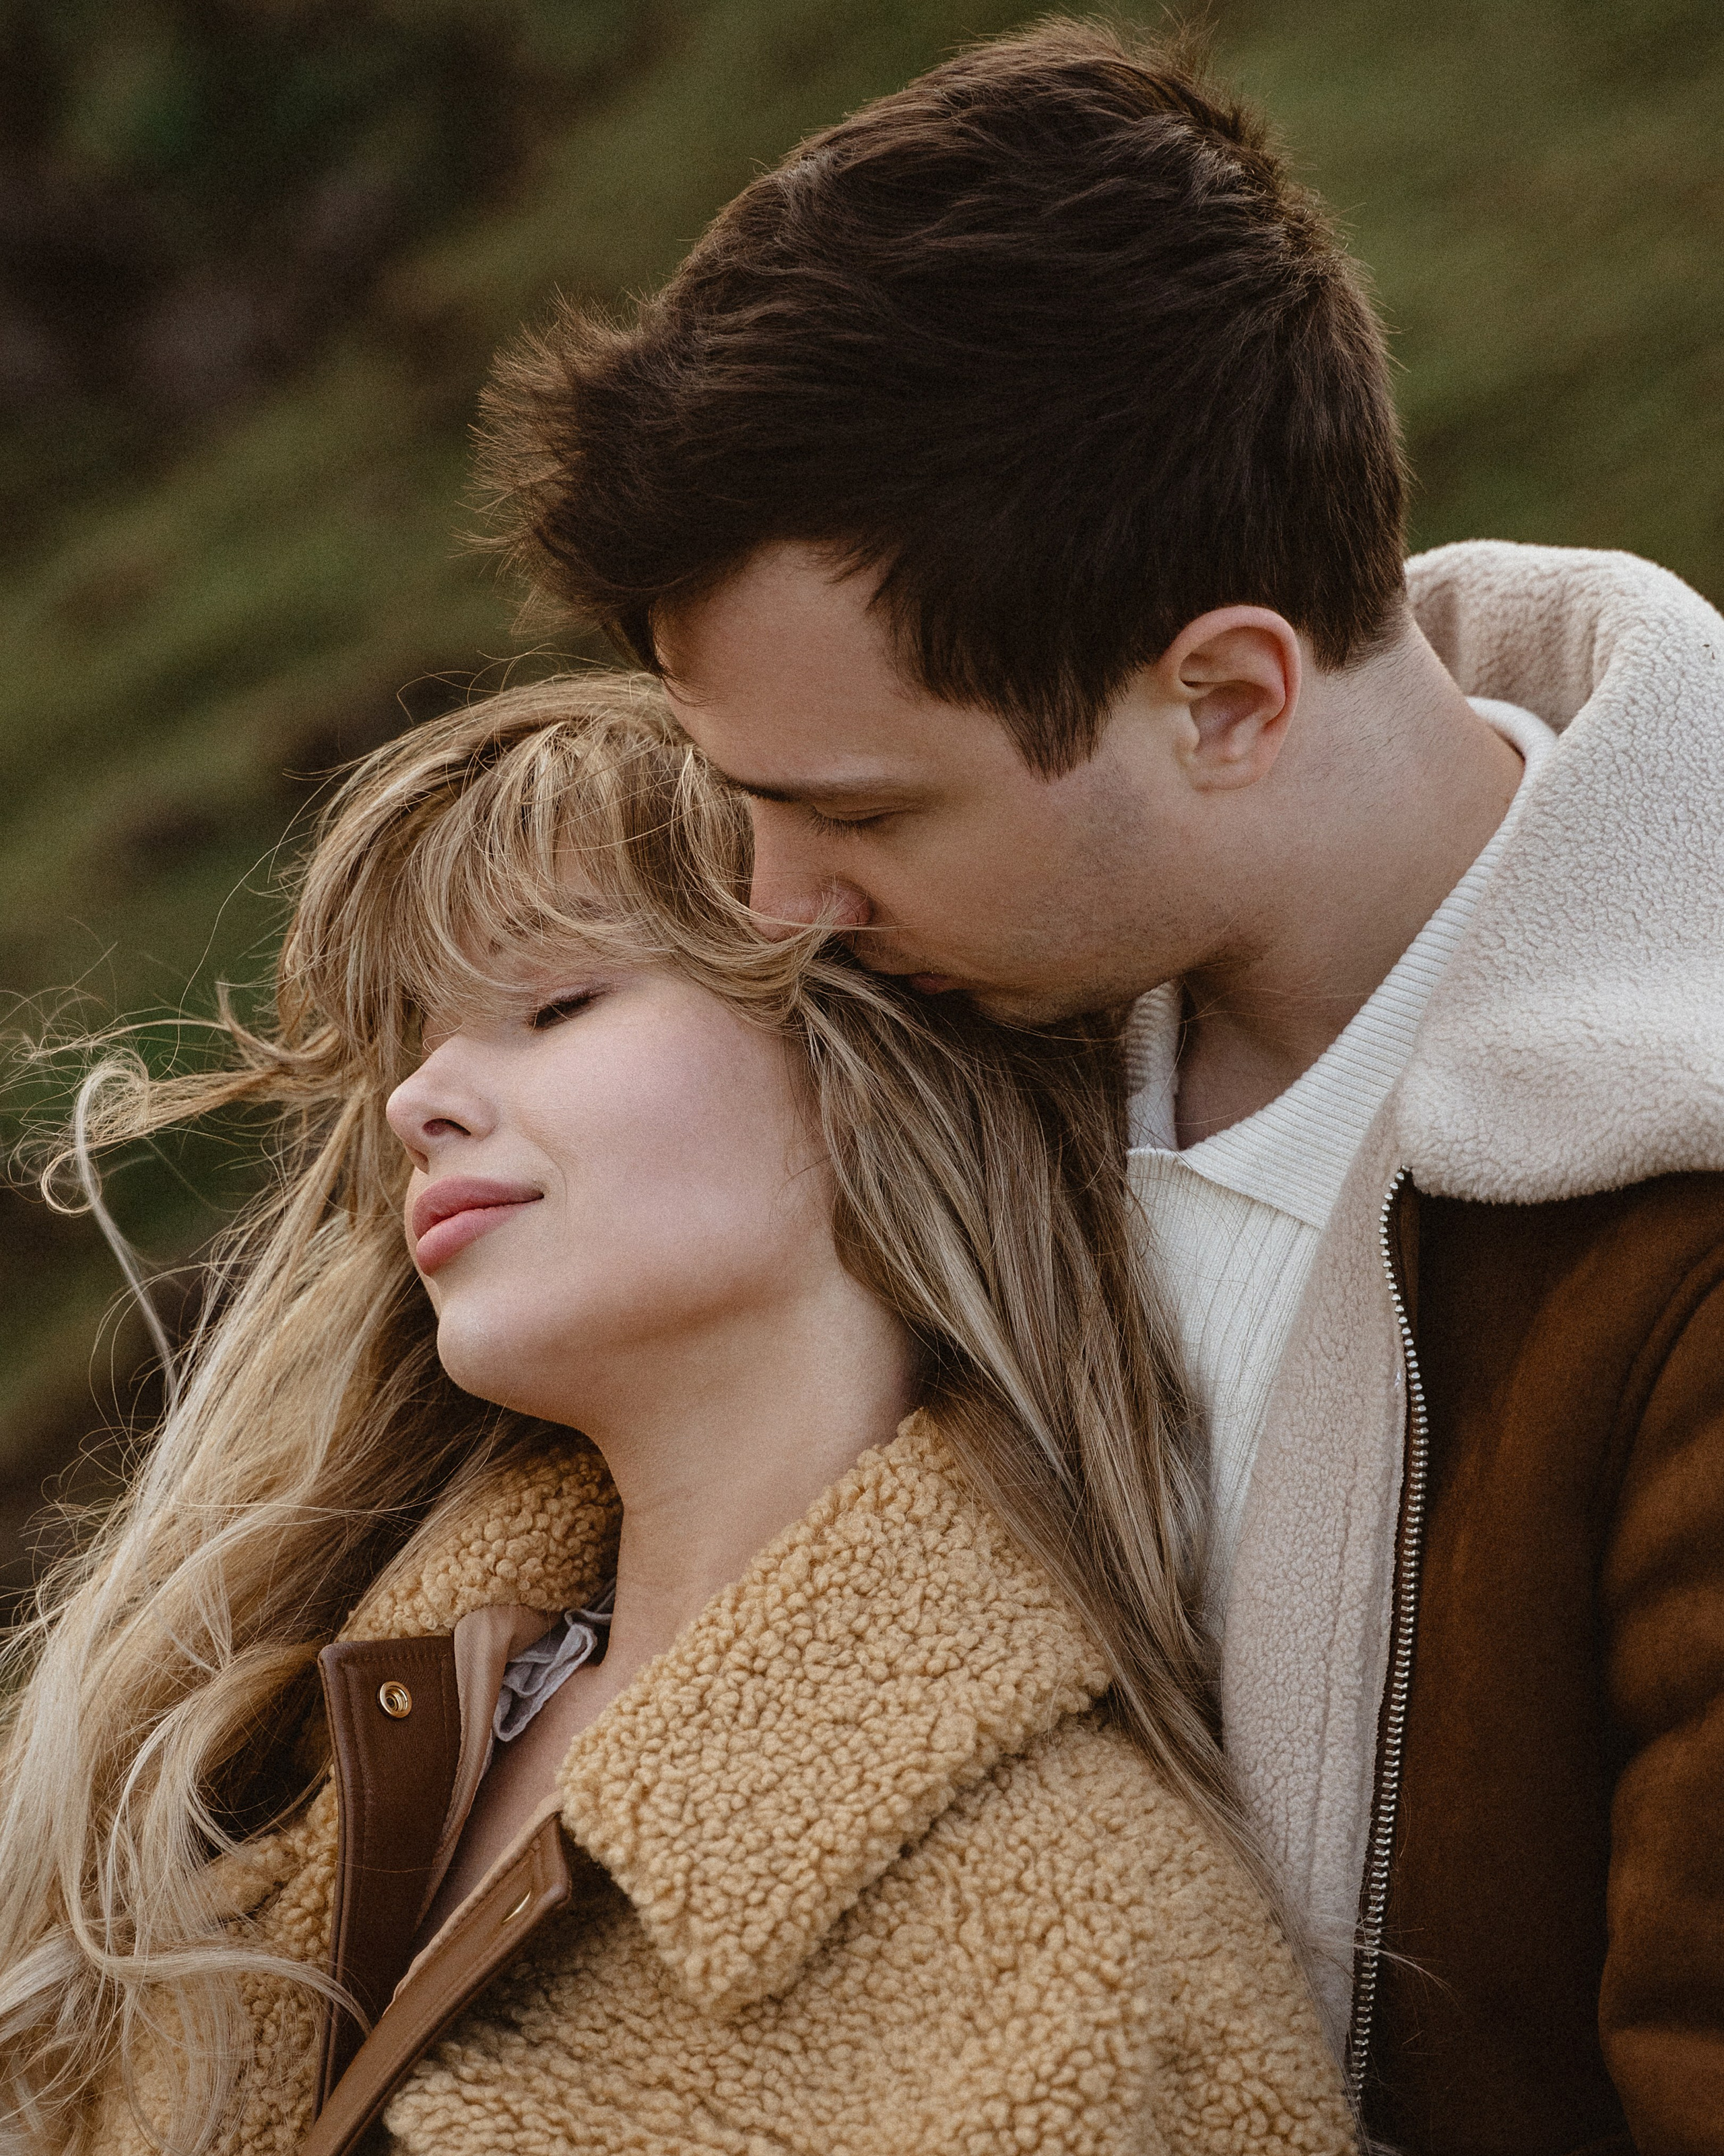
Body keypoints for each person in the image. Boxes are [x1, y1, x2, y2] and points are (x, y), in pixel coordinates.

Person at [473, 20, 1724, 2155]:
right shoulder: (876, 1048)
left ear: (1225, 697)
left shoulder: (1677, 1274)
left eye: (863, 810)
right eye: (739, 794)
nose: (774, 905)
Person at [0, 678, 1355, 2155]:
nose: (414, 1104)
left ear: (865, 1063)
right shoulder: (264, 1754)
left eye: (555, 1003)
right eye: (411, 1047)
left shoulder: (1090, 1945)